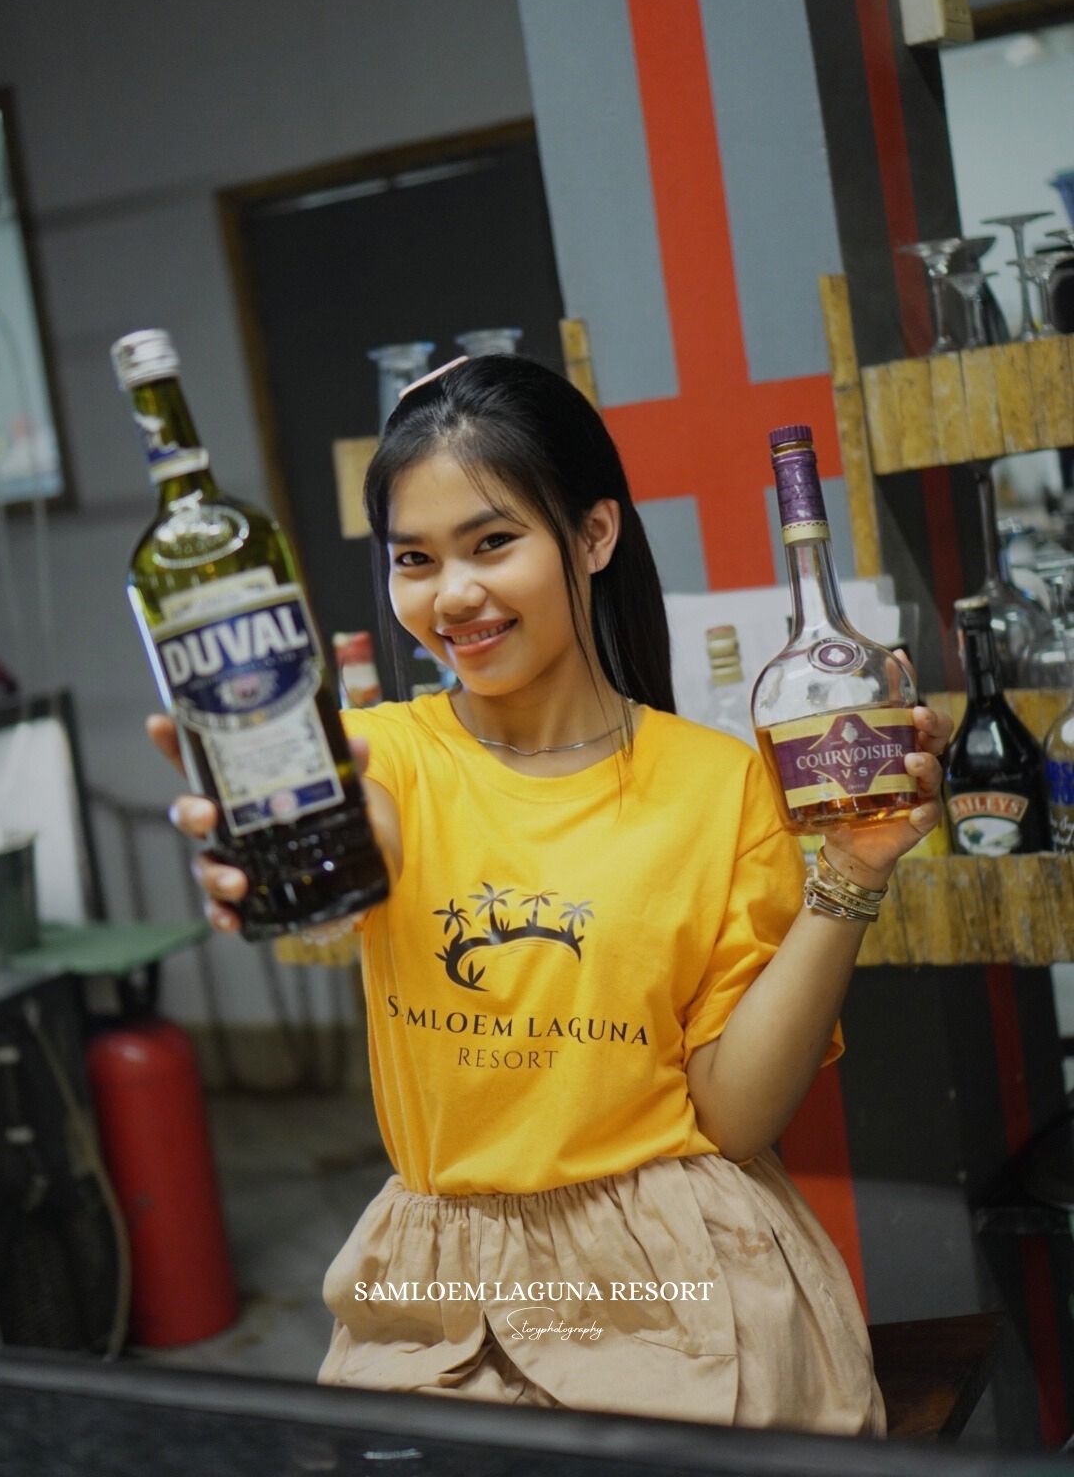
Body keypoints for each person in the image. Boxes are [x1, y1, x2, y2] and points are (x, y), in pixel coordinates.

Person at [149, 354, 952, 1434]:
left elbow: (737, 1111)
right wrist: (286, 855)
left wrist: (852, 873)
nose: (455, 594)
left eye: (493, 542)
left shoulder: (720, 785)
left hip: (679, 1271)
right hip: (438, 1278)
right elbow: (357, 837)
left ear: (593, 535)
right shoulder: (380, 758)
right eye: (415, 559)